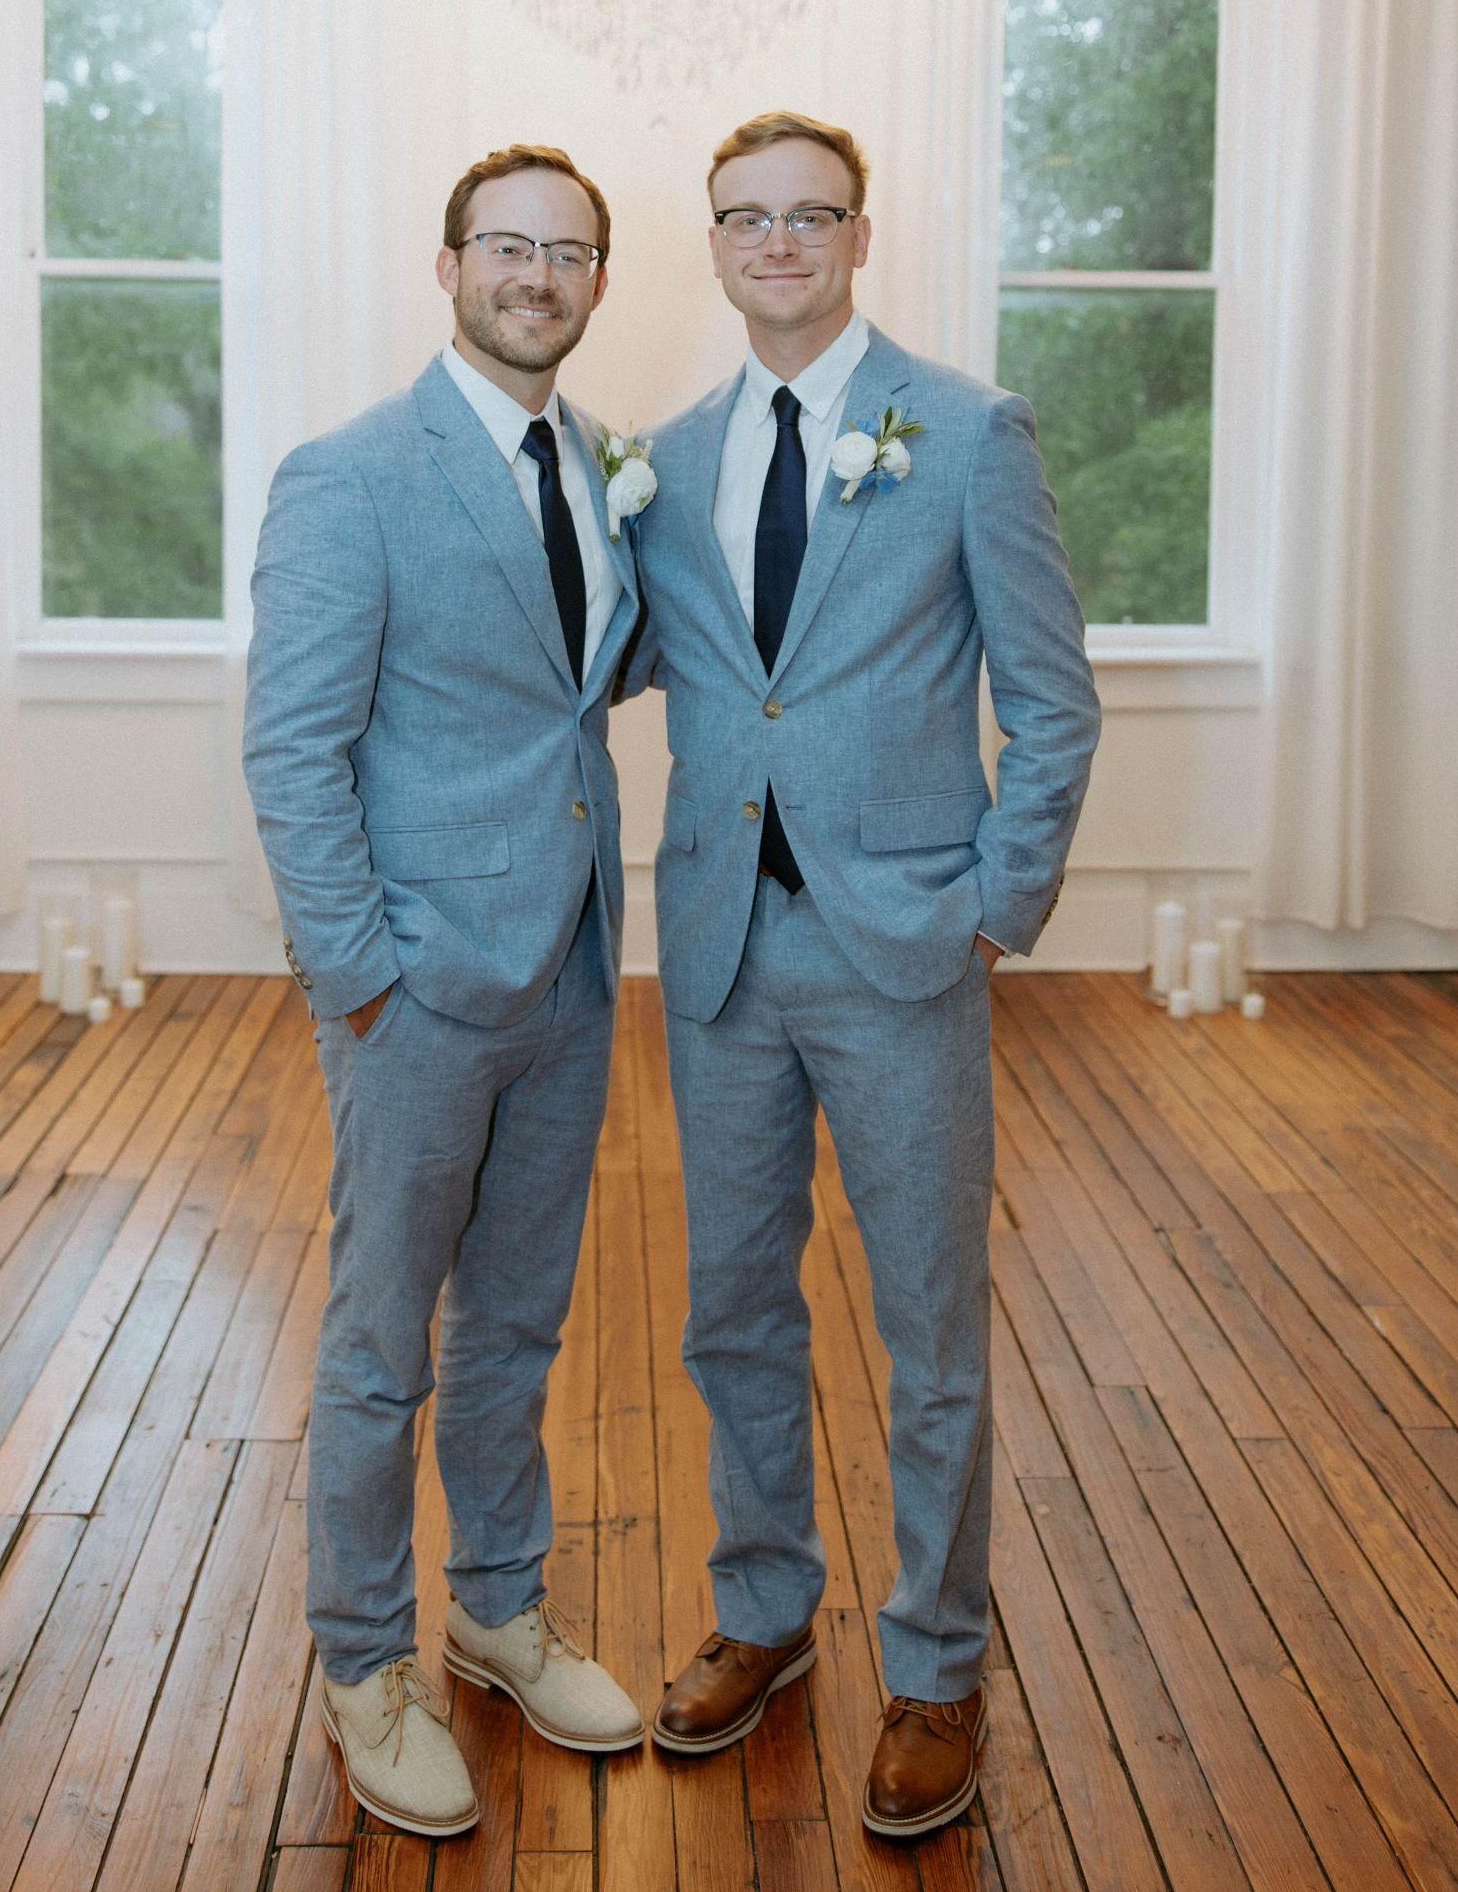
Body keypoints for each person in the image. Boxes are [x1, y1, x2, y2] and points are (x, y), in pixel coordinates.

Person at [625, 111, 1101, 1838]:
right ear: (712, 243)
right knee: (731, 1307)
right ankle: (762, 1609)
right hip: (720, 945)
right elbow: (617, 659)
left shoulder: (964, 432)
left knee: (928, 1324)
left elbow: (1051, 697)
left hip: (905, 941)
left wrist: (993, 902)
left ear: (858, 234)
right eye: (745, 217)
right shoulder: (663, 461)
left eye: (808, 214)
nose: (777, 241)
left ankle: (936, 1662)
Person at [242, 142, 648, 1839]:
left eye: (568, 251)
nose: (535, 275)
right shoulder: (349, 476)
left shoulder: (601, 468)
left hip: (571, 964)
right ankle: (362, 1661)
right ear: (449, 264)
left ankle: (494, 1604)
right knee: (379, 1340)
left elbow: (588, 682)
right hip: (414, 989)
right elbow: (292, 749)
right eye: (507, 245)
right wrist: (360, 981)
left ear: (598, 279)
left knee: (518, 1320)